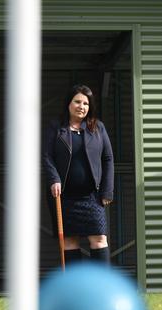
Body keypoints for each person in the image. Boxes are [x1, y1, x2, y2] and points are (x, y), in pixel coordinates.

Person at [42, 84, 114, 265]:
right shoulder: (56, 128)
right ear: (69, 103)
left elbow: (108, 158)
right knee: (69, 241)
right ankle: (75, 289)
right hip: (64, 196)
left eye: (86, 103)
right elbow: (46, 156)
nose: (81, 106)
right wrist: (54, 179)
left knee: (99, 239)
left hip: (92, 196)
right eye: (77, 102)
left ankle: (100, 288)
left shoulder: (98, 128)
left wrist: (107, 191)